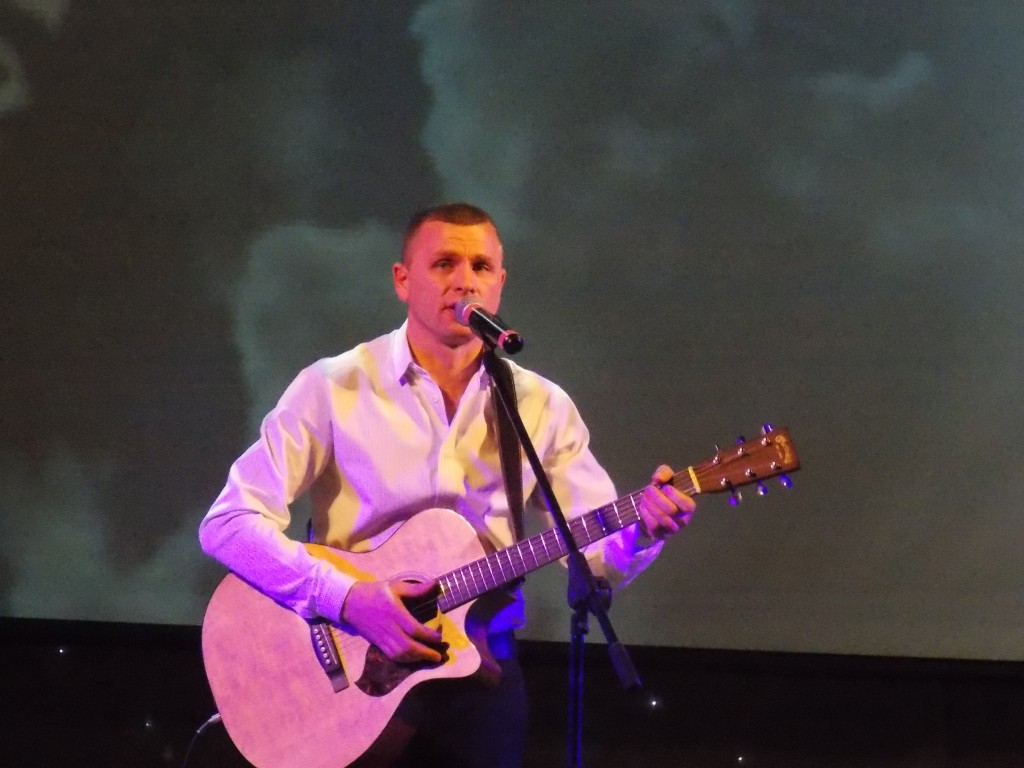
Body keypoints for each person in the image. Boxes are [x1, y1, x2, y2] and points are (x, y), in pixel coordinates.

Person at [199, 202, 696, 768]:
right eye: (444, 264)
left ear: (500, 282)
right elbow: (227, 524)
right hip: (351, 669)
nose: (465, 281)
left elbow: (595, 556)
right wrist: (346, 598)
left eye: (481, 266)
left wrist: (644, 527)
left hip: (481, 673)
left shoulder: (541, 405)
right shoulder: (333, 387)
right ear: (402, 280)